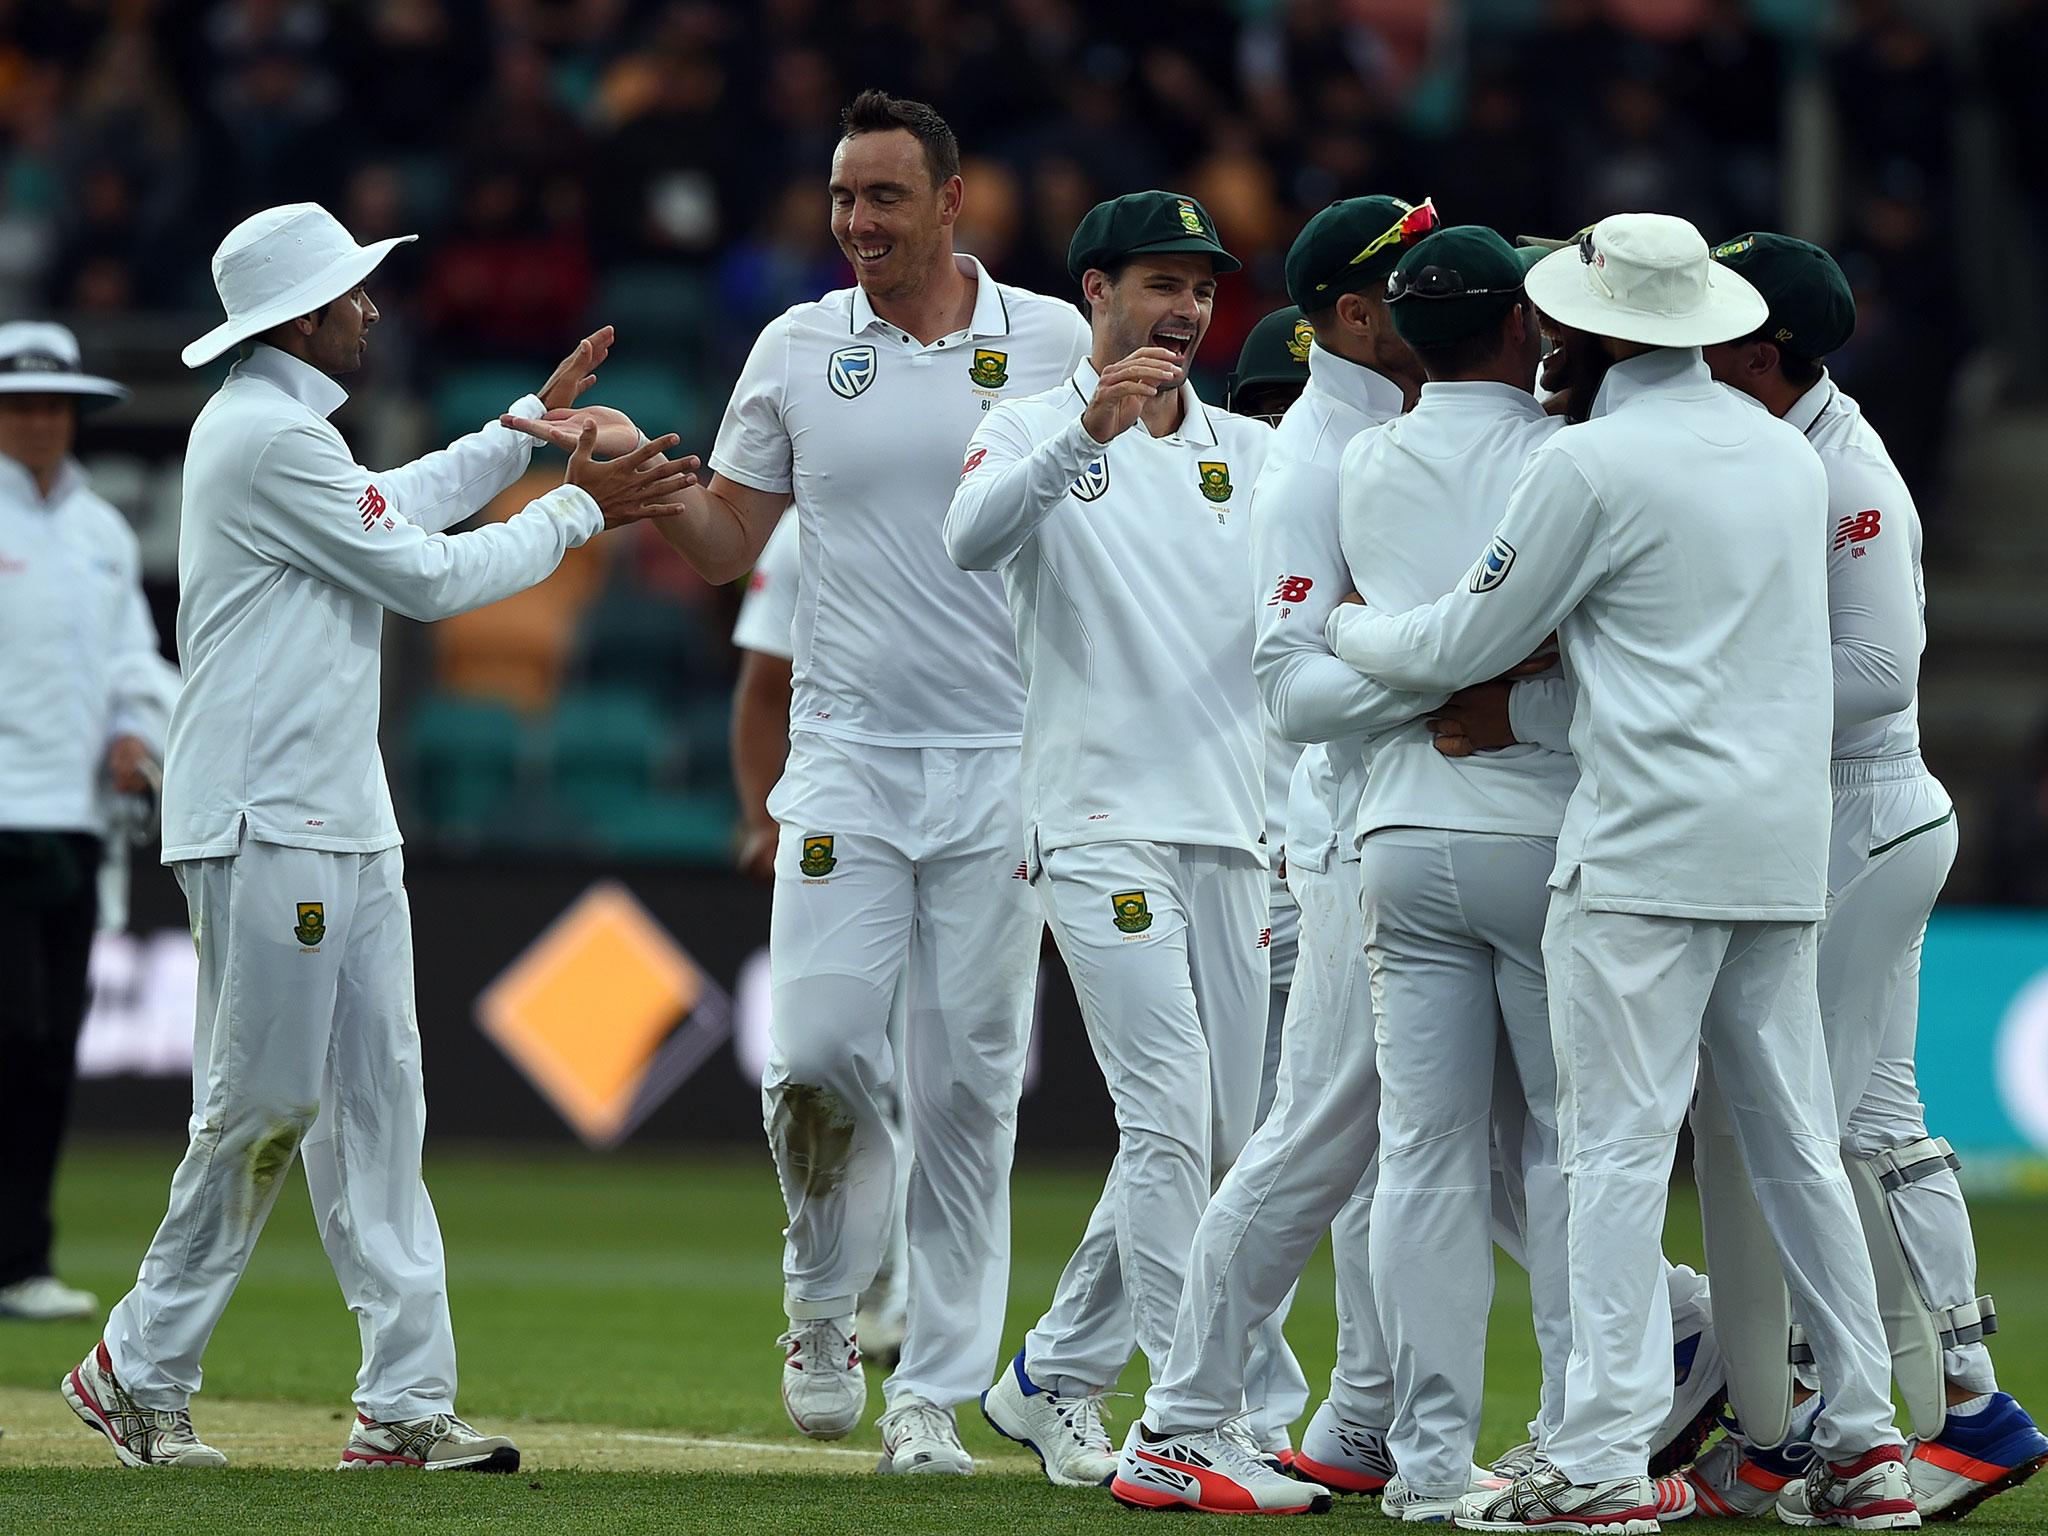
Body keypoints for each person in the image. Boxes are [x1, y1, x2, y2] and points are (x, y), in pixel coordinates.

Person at [63, 201, 690, 1472]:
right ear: (302, 316)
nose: (373, 306)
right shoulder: (255, 437)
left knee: (378, 1114)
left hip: (339, 813)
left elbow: (392, 505)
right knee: (268, 1104)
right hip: (265, 814)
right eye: (353, 292)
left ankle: (405, 1408)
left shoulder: (287, 435)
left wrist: (520, 431)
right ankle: (136, 1366)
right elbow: (424, 575)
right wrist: (579, 512)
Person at [1326, 214, 1914, 1531]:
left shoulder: (1586, 465)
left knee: (1609, 1155)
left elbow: (1455, 642)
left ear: (1590, 329)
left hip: (1640, 847)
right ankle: (1869, 1446)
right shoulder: (1778, 454)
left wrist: (1348, 623)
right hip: (1768, 848)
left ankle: (1595, 1463)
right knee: (1798, 1149)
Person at [636, 91, 1090, 1475]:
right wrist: (648, 486)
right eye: (843, 199)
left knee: (971, 1094)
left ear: (954, 204)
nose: (859, 225)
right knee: (820, 1055)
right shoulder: (795, 344)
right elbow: (727, 547)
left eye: (885, 198)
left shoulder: (1056, 343)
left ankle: (931, 1399)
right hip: (844, 758)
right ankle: (822, 1295)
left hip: (1001, 764)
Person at [1689, 232, 2048, 1520]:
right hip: (1838, 818)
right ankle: (1962, 1406)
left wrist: (1699, 691)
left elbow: (1876, 677)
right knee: (1865, 1125)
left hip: (1863, 813)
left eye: (1715, 330)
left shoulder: (1846, 471)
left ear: (1763, 350)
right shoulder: (1789, 444)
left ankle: (1823, 1428)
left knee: (1816, 1132)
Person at [944, 190, 1278, 1501]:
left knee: (1237, 1133)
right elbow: (968, 544)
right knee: (1168, 1115)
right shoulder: (1026, 425)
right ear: (1094, 294)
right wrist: (1080, 433)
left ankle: (1048, 1375)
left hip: (1233, 823)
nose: (1186, 307)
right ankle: (1197, 1423)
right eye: (1159, 282)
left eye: (1200, 286)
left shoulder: (1249, 454)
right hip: (1094, 822)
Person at [1126, 196, 1435, 1512]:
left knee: (1459, 1150)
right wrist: (1446, 680)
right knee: (1312, 1139)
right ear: (1354, 314)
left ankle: (1366, 1419)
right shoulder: (1316, 460)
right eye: (1419, 277)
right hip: (1355, 846)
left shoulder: (1409, 431)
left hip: (1416, 833)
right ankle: (1183, 1425)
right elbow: (1289, 687)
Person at [0, 321, 173, 1324]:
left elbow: (134, 665)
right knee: (10, 1032)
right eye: (20, 404)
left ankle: (22, 1261)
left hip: (74, 824)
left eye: (51, 404)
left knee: (51, 1042)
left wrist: (132, 731)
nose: (35, 421)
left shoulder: (103, 532)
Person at [728, 513, 912, 1369]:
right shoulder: (810, 528)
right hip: (848, 824)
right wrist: (765, 818)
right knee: (831, 1064)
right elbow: (765, 687)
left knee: (947, 1091)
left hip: (981, 826)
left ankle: (910, 1307)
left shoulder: (1011, 492)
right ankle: (850, 1281)